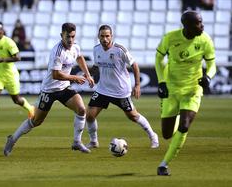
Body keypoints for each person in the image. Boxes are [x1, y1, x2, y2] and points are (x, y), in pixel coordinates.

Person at [3, 22, 95, 156]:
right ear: (61, 35)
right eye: (67, 37)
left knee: (81, 109)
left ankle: (76, 142)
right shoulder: (57, 52)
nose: (70, 40)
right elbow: (56, 75)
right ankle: (12, 139)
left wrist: (87, 74)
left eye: (72, 37)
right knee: (36, 121)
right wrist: (75, 78)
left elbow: (79, 57)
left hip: (64, 88)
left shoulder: (75, 47)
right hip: (49, 90)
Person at [155, 11, 216, 176]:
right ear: (187, 25)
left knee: (185, 125)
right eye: (198, 23)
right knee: (167, 134)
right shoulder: (170, 38)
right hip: (172, 88)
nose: (201, 26)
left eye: (201, 22)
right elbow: (158, 59)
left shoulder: (205, 40)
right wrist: (161, 82)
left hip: (193, 89)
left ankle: (164, 164)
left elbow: (212, 64)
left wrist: (208, 77)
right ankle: (175, 119)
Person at [85, 25, 159, 150]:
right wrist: (87, 74)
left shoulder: (119, 50)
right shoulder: (96, 49)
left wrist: (137, 85)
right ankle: (93, 141)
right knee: (89, 115)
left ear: (111, 36)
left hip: (120, 91)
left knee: (133, 116)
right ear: (98, 37)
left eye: (107, 36)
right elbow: (96, 66)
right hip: (103, 89)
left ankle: (153, 136)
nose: (105, 39)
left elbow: (135, 65)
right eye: (102, 36)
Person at [0, 21, 34, 134]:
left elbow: (18, 57)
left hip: (11, 75)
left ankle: (30, 108)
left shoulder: (9, 42)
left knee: (17, 100)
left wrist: (4, 59)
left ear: (2, 30)